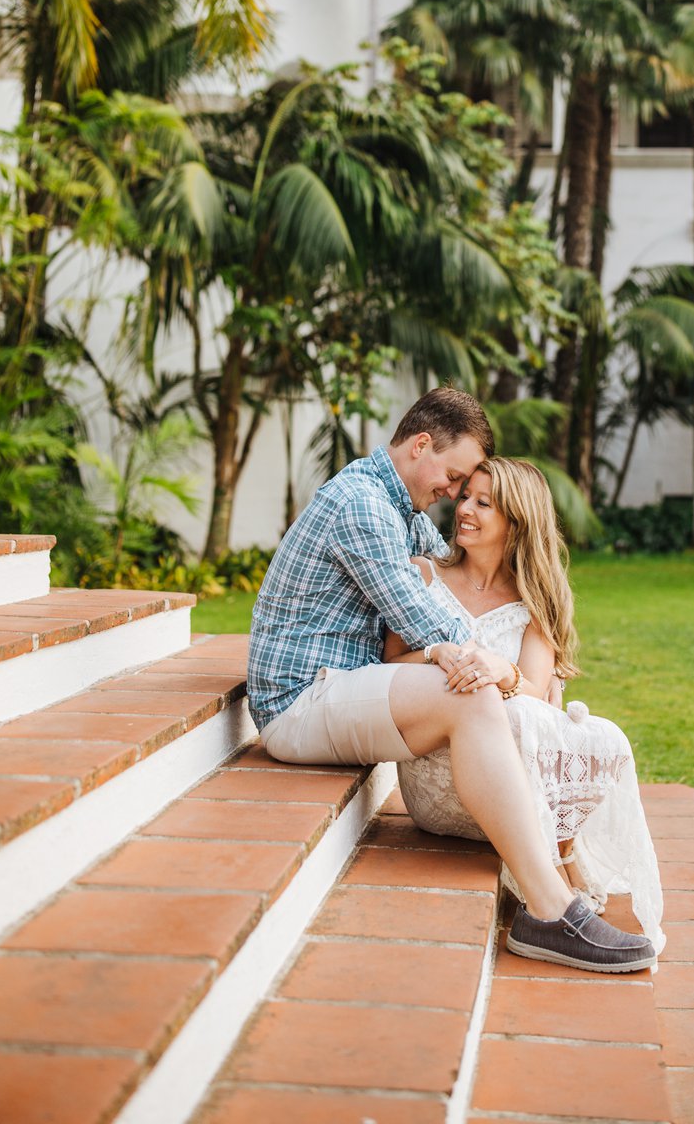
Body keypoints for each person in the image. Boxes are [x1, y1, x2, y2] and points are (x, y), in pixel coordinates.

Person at [247, 387, 656, 973]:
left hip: (339, 687)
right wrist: (505, 673)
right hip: (301, 701)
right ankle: (550, 910)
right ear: (421, 445)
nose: (453, 495)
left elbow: (447, 579)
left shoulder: (402, 515)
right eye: (455, 477)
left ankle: (552, 899)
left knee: (482, 692)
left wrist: (518, 675)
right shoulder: (362, 505)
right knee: (471, 696)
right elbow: (426, 617)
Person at [385, 457, 664, 961]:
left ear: (516, 521)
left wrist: (501, 670)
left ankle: (559, 868)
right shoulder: (423, 575)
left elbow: (536, 688)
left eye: (482, 503)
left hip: (508, 771)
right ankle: (554, 896)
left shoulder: (536, 599)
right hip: (438, 780)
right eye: (465, 495)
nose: (463, 509)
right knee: (517, 716)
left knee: (595, 733)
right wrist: (440, 657)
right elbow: (389, 664)